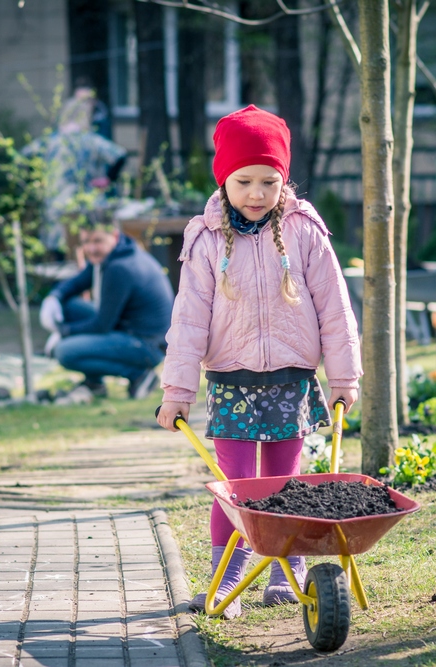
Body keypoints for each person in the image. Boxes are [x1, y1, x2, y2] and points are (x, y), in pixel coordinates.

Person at [155, 105, 362, 618]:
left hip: (292, 379)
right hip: (231, 380)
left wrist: (343, 376)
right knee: (237, 489)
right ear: (223, 180)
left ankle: (285, 569)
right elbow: (188, 319)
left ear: (283, 180)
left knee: (286, 483)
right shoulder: (205, 238)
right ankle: (227, 577)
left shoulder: (303, 230)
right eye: (243, 181)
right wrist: (177, 391)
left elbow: (335, 307)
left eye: (269, 182)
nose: (256, 193)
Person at [39, 219, 174, 400]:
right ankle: (94, 383)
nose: (91, 248)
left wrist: (63, 332)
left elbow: (101, 325)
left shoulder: (119, 268)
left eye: (98, 241)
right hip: (127, 329)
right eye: (86, 242)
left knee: (65, 352)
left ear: (114, 236)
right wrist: (53, 298)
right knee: (68, 306)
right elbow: (77, 283)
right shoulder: (116, 253)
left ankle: (139, 374)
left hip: (147, 345)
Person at [24, 86, 128, 255]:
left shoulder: (51, 141)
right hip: (87, 205)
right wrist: (108, 178)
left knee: (59, 250)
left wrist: (36, 181)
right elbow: (120, 155)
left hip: (56, 203)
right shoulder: (90, 139)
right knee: (88, 247)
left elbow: (24, 157)